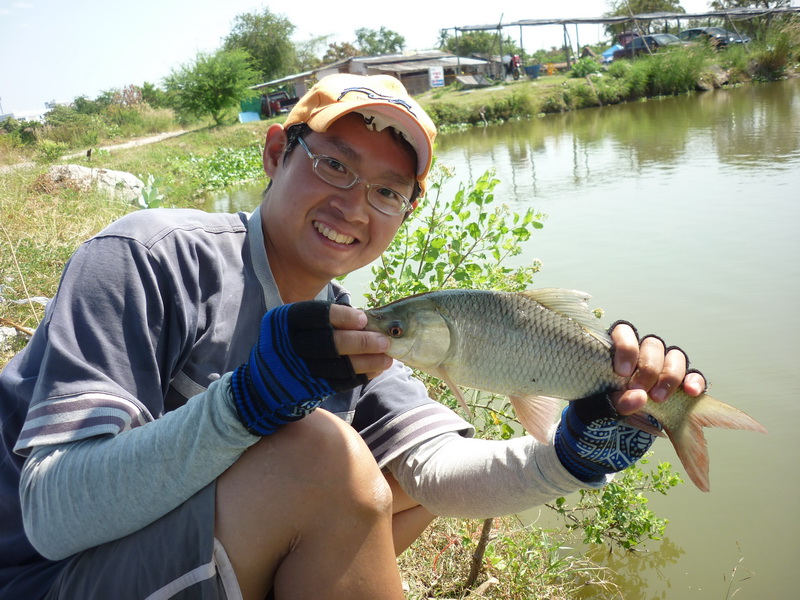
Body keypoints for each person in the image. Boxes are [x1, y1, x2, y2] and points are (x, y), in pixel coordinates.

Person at [0, 73, 706, 600]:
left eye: (387, 191)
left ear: (404, 213)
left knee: (401, 478)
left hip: (159, 555)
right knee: (319, 451)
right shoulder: (146, 256)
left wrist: (574, 458)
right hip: (42, 576)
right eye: (334, 164)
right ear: (278, 152)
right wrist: (243, 406)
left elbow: (441, 478)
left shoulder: (350, 331)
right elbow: (54, 520)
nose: (352, 204)